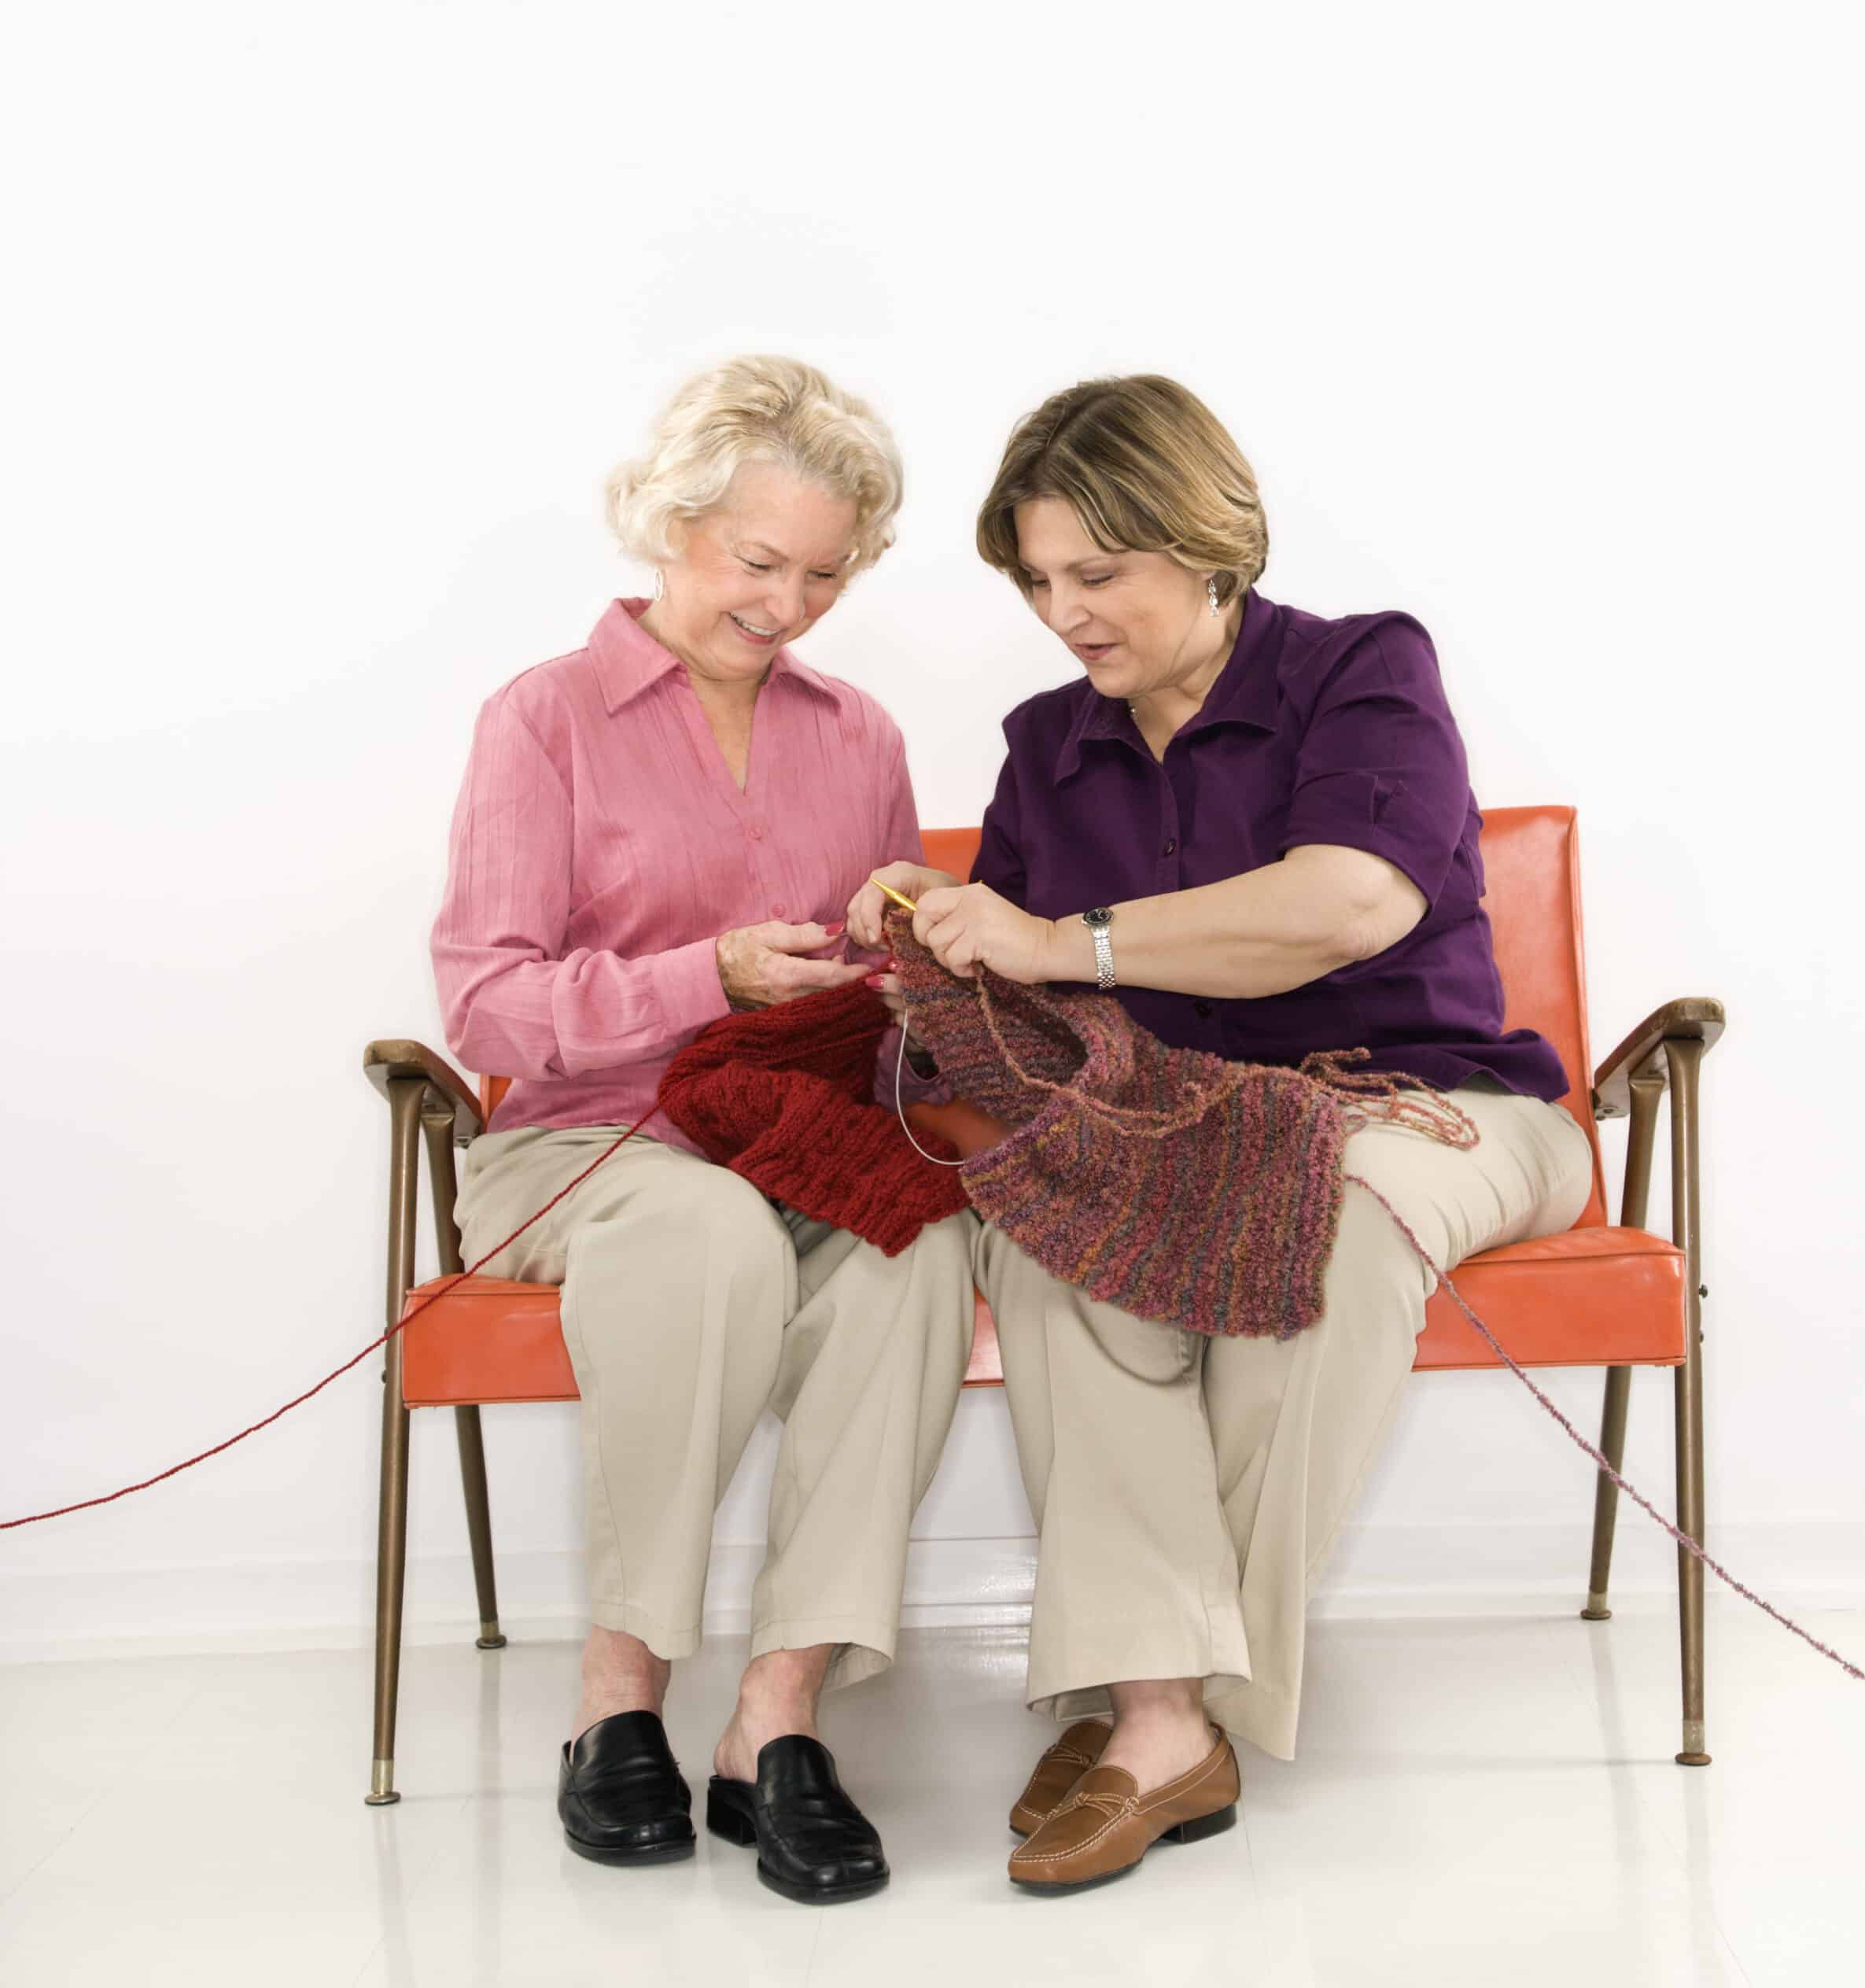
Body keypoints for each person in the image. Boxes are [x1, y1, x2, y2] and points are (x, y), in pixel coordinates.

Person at [850, 373, 1593, 1894]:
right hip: (1178, 1125)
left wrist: (1067, 939)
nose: (1067, 613)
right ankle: (1161, 1711)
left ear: (1209, 544)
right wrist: (925, 916)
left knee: (1325, 1209)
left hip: (1432, 1108)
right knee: (1060, 1242)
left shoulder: (1361, 671)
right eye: (1042, 581)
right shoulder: (1048, 740)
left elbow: (1347, 905)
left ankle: (1156, 1705)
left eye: (1099, 574)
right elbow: (1017, 991)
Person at [433, 356, 975, 1905]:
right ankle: (620, 1692)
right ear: (669, 524)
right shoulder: (542, 719)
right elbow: (487, 1008)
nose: (787, 601)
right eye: (756, 561)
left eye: (821, 572)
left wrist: (899, 940)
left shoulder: (856, 732)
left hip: (794, 1129)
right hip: (589, 1145)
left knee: (910, 1257)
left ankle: (774, 1720)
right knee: (705, 1229)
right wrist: (702, 972)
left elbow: (877, 988)